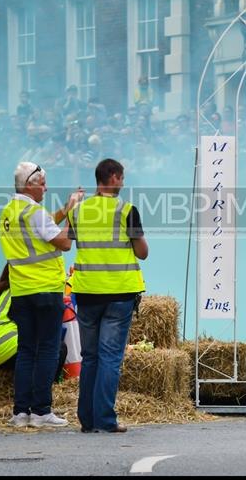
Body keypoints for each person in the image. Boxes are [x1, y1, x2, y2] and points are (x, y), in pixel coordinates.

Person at [0, 162, 82, 428]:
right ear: (30, 185)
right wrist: (73, 213)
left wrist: (64, 209)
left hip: (22, 292)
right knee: (47, 350)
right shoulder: (34, 212)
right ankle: (42, 412)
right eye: (43, 183)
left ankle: (21, 413)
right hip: (45, 290)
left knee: (26, 351)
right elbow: (64, 242)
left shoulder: (10, 212)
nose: (46, 188)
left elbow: (44, 227)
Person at [67, 158, 148, 434]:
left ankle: (87, 421)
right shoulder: (127, 210)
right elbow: (142, 252)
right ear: (113, 177)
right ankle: (105, 419)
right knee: (110, 357)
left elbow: (69, 242)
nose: (123, 183)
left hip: (87, 292)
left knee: (89, 357)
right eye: (122, 178)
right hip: (119, 293)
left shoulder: (78, 211)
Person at [0, 263, 68, 379]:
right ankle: (51, 387)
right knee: (58, 347)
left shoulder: (8, 290)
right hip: (5, 348)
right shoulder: (21, 292)